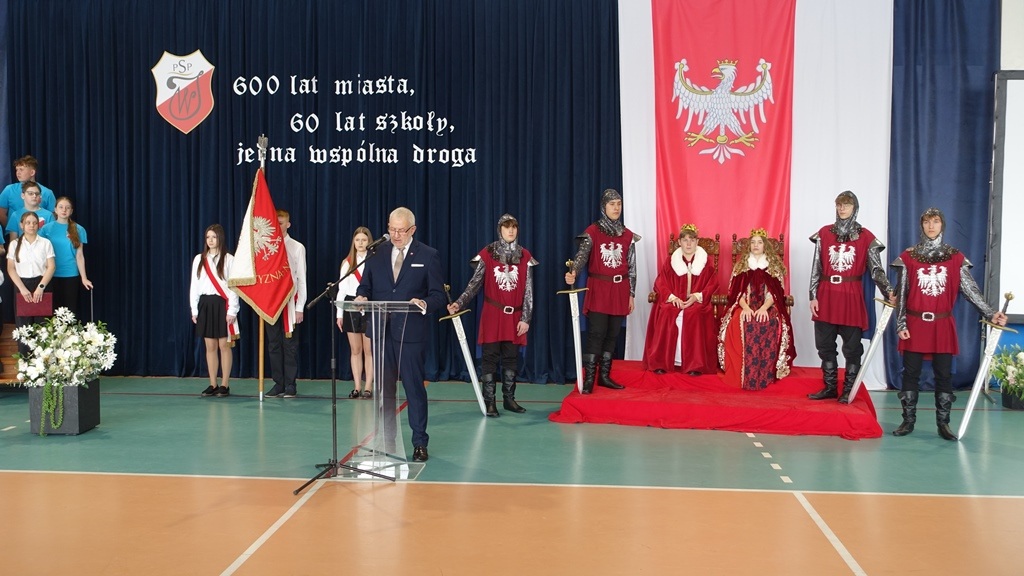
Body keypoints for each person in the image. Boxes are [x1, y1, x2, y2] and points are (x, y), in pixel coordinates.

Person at [891, 208, 1007, 441]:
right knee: (910, 373)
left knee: (943, 374)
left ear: (942, 225)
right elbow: (902, 293)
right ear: (921, 225)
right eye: (927, 222)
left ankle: (943, 424)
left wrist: (990, 313)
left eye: (935, 221)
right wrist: (901, 322)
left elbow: (971, 291)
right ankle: (908, 421)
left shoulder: (955, 257)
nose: (931, 226)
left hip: (942, 324)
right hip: (915, 322)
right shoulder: (909, 257)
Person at [356, 207, 446, 462]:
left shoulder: (428, 255)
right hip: (381, 331)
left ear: (412, 230)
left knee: (413, 389)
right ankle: (387, 440)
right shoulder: (376, 252)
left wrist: (423, 303)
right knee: (384, 391)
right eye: (391, 229)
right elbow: (366, 286)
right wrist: (361, 296)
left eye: (401, 230)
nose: (395, 235)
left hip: (410, 333)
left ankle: (419, 443)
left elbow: (438, 295)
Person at [807, 191, 894, 403]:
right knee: (824, 345)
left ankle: (849, 389)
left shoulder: (866, 237)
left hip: (851, 296)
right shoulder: (824, 233)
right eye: (839, 205)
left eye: (846, 205)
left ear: (855, 208)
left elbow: (876, 270)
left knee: (852, 348)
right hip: (826, 295)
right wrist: (813, 295)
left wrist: (888, 291)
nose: (842, 208)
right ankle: (830, 387)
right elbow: (817, 267)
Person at [448, 214, 537, 417]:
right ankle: (490, 402)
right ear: (500, 229)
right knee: (490, 357)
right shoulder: (488, 253)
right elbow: (475, 284)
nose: (511, 231)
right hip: (493, 314)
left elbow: (528, 290)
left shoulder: (524, 255)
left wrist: (526, 318)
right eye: (506, 227)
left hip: (515, 316)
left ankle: (509, 399)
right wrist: (459, 303)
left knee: (511, 357)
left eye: (514, 227)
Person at [565, 188, 638, 394]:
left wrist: (631, 294)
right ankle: (590, 378)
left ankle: (604, 376)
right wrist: (573, 272)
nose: (616, 208)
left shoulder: (628, 235)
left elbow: (632, 267)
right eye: (612, 204)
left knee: (613, 334)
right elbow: (581, 257)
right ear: (604, 207)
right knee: (597, 333)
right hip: (599, 288)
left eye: (619, 204)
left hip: (620, 289)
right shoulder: (593, 232)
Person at [717, 228, 796, 390]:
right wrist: (746, 307)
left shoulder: (773, 267)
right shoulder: (741, 267)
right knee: (743, 321)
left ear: (765, 245)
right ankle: (745, 373)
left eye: (759, 242)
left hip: (768, 306)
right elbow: (735, 292)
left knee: (768, 322)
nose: (756, 245)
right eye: (753, 242)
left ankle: (764, 372)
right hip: (744, 305)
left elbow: (776, 294)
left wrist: (764, 308)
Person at [642, 224, 720, 376]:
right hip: (675, 301)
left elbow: (713, 284)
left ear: (697, 242)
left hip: (697, 302)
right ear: (679, 242)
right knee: (667, 311)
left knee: (694, 313)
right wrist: (672, 297)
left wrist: (698, 296)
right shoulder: (671, 261)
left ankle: (695, 365)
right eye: (685, 240)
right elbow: (661, 282)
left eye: (692, 240)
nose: (688, 244)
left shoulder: (705, 262)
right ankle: (661, 362)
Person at [189, 224, 240, 397]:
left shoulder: (229, 259)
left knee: (224, 345)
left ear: (220, 238)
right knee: (210, 346)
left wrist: (232, 310)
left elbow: (234, 287)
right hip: (205, 304)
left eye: (214, 237)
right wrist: (194, 309)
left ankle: (225, 384)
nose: (210, 240)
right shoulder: (199, 259)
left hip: (222, 305)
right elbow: (194, 286)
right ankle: (212, 383)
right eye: (208, 237)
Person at [264, 210, 307, 399]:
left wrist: (299, 307)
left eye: (281, 223)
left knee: (289, 345)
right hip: (272, 301)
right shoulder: (267, 246)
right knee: (273, 344)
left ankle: (290, 384)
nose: (278, 226)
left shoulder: (297, 247)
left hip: (290, 302)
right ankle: (278, 383)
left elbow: (301, 278)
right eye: (275, 222)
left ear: (288, 224)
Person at [7, 212, 55, 357]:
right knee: (23, 326)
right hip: (21, 284)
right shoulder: (14, 244)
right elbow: (11, 268)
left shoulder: (45, 243)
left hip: (42, 283)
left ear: (38, 225)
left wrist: (41, 288)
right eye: (28, 222)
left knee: (43, 326)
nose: (31, 225)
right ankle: (25, 362)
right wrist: (22, 289)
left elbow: (51, 267)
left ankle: (43, 362)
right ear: (21, 225)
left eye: (34, 222)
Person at [38, 196, 93, 317]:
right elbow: (41, 254)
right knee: (51, 311)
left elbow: (79, 255)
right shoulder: (46, 229)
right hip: (50, 275)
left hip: (70, 274)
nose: (64, 210)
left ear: (71, 211)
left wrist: (84, 278)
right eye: (61, 207)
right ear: (55, 210)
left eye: (67, 208)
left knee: (69, 312)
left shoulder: (79, 229)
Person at [336, 226, 374, 400]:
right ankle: (357, 386)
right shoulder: (347, 262)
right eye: (357, 240)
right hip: (351, 306)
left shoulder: (374, 260)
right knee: (356, 350)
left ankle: (368, 387)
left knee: (369, 350)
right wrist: (339, 314)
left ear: (369, 242)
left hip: (368, 304)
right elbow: (341, 290)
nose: (360, 243)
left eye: (364, 240)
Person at [0, 155, 57, 230]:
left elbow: (53, 217)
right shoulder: (9, 189)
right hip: (15, 234)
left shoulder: (47, 193)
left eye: (21, 169)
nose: (18, 173)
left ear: (32, 172)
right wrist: (13, 229)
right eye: (17, 170)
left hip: (40, 235)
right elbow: (1, 213)